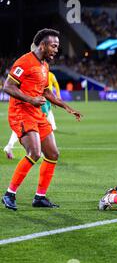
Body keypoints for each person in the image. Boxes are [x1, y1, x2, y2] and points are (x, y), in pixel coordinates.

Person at [1, 28, 82, 211]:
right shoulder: (24, 61)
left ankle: (40, 197)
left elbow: (46, 92)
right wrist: (31, 99)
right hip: (21, 113)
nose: (56, 49)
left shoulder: (44, 65)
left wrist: (66, 107)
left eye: (57, 46)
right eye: (53, 46)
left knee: (53, 154)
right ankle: (9, 194)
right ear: (43, 45)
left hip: (37, 114)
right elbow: (8, 87)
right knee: (35, 153)